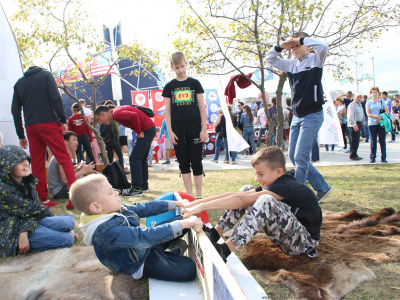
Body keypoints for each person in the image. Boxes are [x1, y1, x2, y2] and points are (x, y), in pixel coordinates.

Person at [182, 146, 322, 262]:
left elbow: (242, 201)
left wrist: (202, 207)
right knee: (246, 189)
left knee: (265, 200)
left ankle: (224, 250)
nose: (257, 178)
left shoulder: (287, 186)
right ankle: (214, 234)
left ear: (279, 172)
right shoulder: (277, 182)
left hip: (303, 244)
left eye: (261, 174)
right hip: (291, 236)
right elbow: (238, 196)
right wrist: (198, 203)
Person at [70, 174, 202, 281]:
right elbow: (143, 236)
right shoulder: (107, 231)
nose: (116, 192)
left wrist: (177, 204)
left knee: (182, 220)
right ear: (96, 207)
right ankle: (170, 253)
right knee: (188, 269)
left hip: (141, 247)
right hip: (137, 262)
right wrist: (183, 225)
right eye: (110, 192)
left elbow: (144, 208)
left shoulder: (112, 210)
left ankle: (165, 251)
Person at [266, 32, 332, 202]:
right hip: (297, 116)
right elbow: (270, 59)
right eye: (292, 46)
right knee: (295, 157)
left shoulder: (316, 59)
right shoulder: (290, 64)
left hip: (313, 115)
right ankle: (322, 187)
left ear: (307, 45)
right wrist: (282, 45)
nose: (294, 49)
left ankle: (299, 197)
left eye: (297, 45)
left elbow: (323, 46)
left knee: (301, 158)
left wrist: (301, 40)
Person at [12, 66, 76, 208]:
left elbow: (15, 110)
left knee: (36, 162)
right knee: (64, 157)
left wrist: (21, 134)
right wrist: (63, 120)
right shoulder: (46, 76)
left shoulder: (19, 83)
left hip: (30, 126)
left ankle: (42, 199)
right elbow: (55, 98)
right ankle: (74, 198)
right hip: (48, 122)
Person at [0, 145, 77, 257]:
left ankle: (44, 232)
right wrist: (22, 233)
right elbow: (33, 209)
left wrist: (25, 230)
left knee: (69, 221)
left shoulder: (27, 181)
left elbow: (32, 211)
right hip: (11, 232)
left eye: (25, 159)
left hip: (28, 223)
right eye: (19, 161)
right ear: (6, 167)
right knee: (67, 239)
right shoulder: (3, 190)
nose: (26, 163)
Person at [162, 52, 208, 198]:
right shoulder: (169, 86)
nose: (180, 70)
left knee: (196, 162)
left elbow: (202, 107)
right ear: (172, 68)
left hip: (195, 128)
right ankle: (190, 196)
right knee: (183, 163)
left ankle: (199, 196)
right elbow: (167, 111)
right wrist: (169, 131)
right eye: (177, 67)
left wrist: (204, 129)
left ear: (186, 64)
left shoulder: (195, 83)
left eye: (182, 66)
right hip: (177, 130)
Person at [95, 105, 156, 196]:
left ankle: (136, 189)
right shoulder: (116, 112)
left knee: (134, 158)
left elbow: (134, 115)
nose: (100, 123)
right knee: (141, 158)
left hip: (146, 130)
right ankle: (143, 186)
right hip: (149, 128)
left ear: (103, 114)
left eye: (99, 119)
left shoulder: (116, 113)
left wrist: (138, 132)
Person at [48, 131, 95, 199]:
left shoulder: (65, 155)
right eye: (74, 140)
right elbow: (65, 180)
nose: (76, 143)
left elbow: (68, 175)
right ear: (65, 142)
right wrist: (83, 171)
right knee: (88, 186)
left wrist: (78, 169)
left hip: (61, 188)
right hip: (59, 191)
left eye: (77, 140)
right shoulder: (61, 156)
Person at [366, 86, 390, 163]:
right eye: (373, 92)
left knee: (382, 141)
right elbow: (368, 114)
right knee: (373, 141)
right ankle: (373, 157)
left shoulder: (382, 101)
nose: (375, 94)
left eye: (376, 92)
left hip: (381, 123)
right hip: (372, 123)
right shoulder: (369, 102)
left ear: (378, 93)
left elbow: (387, 111)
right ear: (371, 94)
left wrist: (381, 117)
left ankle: (383, 158)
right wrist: (376, 116)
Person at [347, 93, 365, 160]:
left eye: (360, 97)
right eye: (358, 97)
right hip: (354, 124)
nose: (359, 98)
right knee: (355, 140)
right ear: (354, 97)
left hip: (359, 123)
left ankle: (354, 153)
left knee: (357, 140)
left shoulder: (360, 105)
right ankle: (353, 154)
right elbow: (350, 115)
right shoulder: (352, 105)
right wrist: (354, 124)